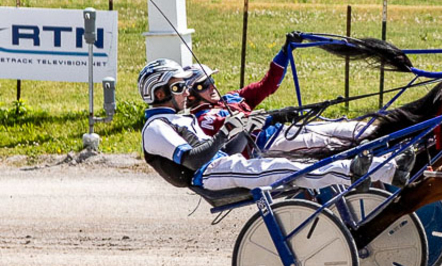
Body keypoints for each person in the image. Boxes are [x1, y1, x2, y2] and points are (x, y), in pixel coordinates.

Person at [138, 59, 400, 193]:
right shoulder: (156, 128)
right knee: (288, 170)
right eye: (178, 87)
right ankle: (376, 171)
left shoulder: (181, 119)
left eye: (185, 85)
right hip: (210, 175)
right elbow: (194, 161)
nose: (185, 92)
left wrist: (249, 125)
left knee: (296, 167)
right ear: (159, 94)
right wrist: (226, 132)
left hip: (225, 165)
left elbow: (225, 150)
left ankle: (391, 167)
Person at [185, 34, 371, 159]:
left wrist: (285, 51)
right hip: (267, 145)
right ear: (192, 97)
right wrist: (273, 117)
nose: (213, 86)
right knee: (342, 144)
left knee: (354, 129)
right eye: (205, 84)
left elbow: (267, 85)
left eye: (212, 80)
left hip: (285, 132)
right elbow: (234, 125)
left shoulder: (231, 98)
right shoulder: (203, 120)